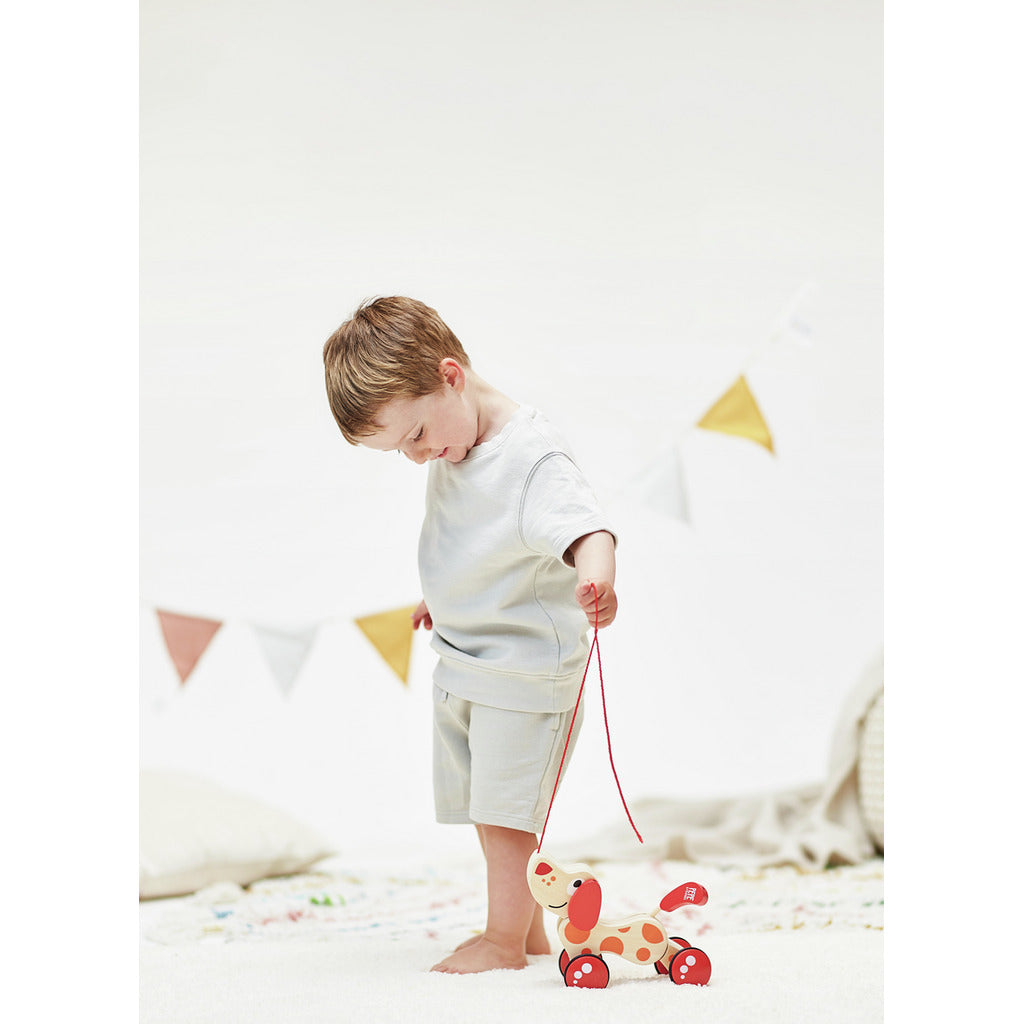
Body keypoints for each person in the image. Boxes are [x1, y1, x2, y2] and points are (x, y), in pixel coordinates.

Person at [322, 296, 618, 974]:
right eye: (401, 449)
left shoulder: (531, 455)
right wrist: (447, 595)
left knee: (508, 815)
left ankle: (503, 941)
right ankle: (529, 931)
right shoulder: (454, 443)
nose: (417, 456)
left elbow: (586, 528)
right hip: (467, 663)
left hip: (525, 673)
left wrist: (596, 578)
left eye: (416, 435)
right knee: (489, 810)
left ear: (450, 376)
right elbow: (481, 542)